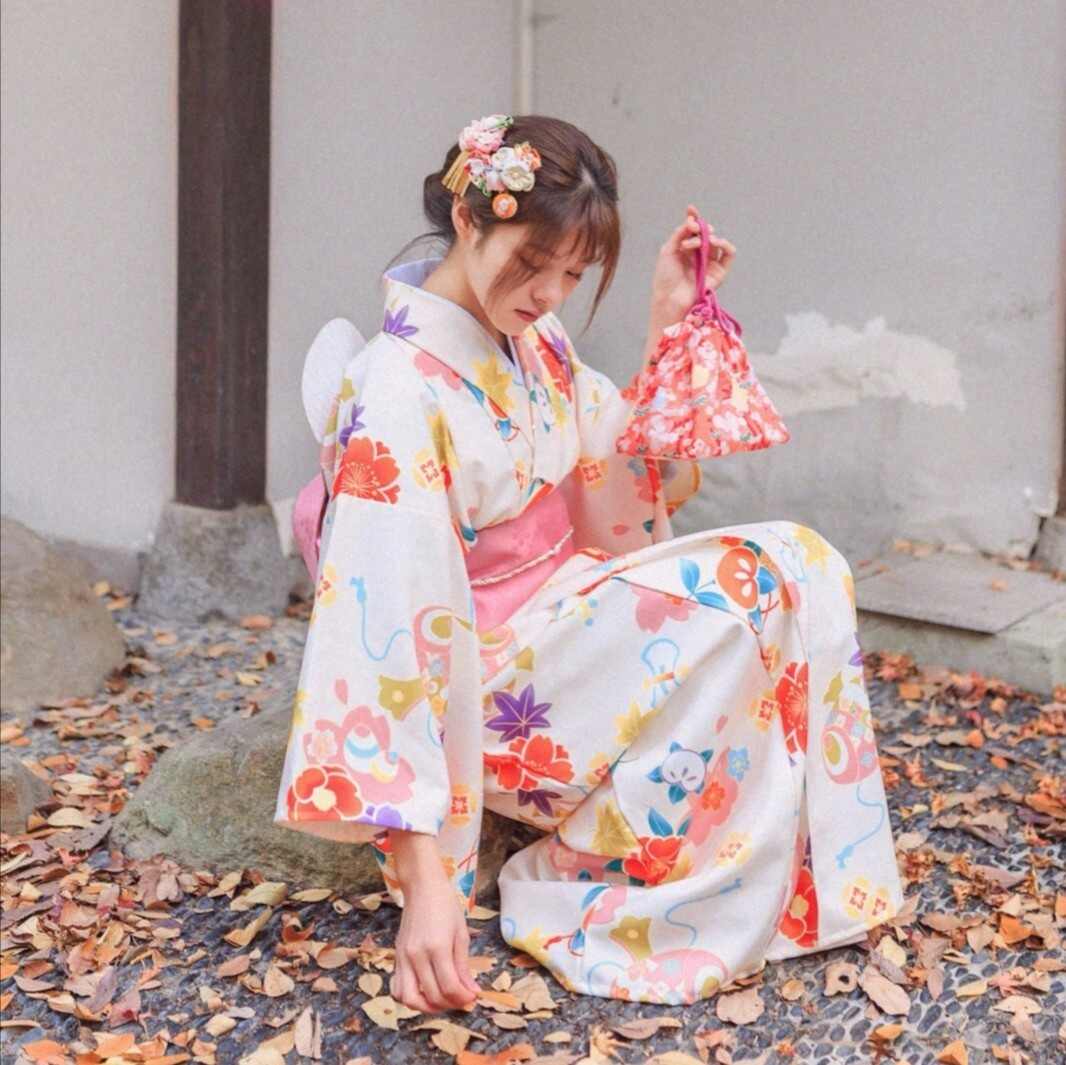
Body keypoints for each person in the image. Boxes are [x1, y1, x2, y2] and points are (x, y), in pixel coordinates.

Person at [274, 113, 903, 1012]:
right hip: (487, 672)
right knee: (749, 588)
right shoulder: (398, 387)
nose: (550, 294)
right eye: (535, 262)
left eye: (572, 275)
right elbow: (379, 629)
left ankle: (767, 874)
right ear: (468, 218)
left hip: (562, 615)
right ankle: (587, 884)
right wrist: (424, 880)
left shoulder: (532, 340)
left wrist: (666, 317)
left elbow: (610, 466)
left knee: (799, 566)